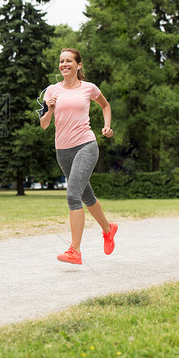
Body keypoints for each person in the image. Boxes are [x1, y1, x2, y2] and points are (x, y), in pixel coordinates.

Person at [39, 48, 117, 265]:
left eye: (69, 61)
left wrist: (107, 126)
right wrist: (50, 110)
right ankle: (108, 230)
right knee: (86, 196)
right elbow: (44, 125)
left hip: (86, 145)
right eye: (61, 61)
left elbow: (105, 105)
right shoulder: (52, 91)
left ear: (78, 65)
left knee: (73, 195)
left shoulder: (89, 88)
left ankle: (75, 251)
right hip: (62, 151)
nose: (64, 64)